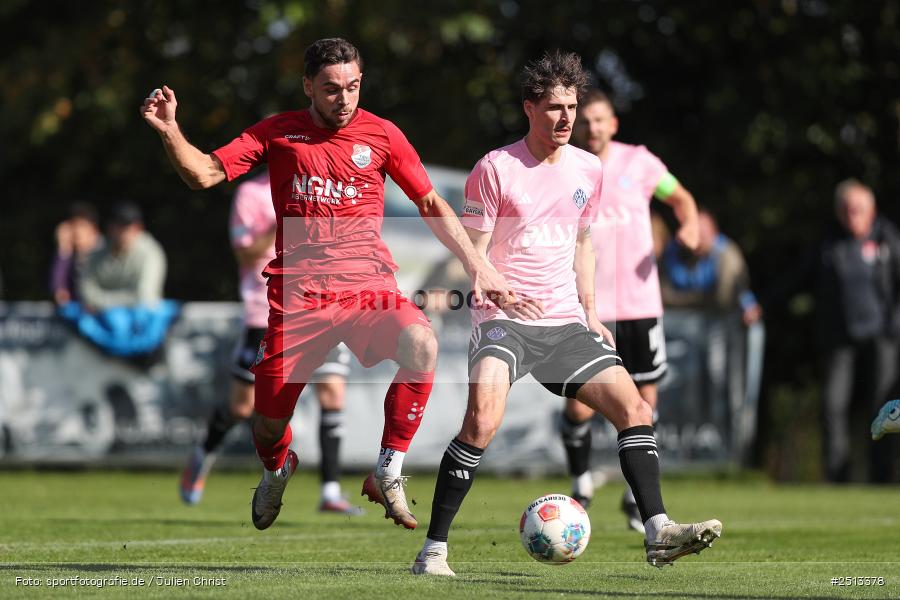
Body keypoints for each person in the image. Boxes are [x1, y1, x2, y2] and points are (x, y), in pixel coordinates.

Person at [141, 37, 515, 532]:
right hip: (299, 300)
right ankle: (277, 467)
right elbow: (204, 174)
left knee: (421, 343)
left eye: (353, 87)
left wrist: (476, 263)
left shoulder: (382, 134)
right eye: (332, 89)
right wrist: (170, 130)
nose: (345, 99)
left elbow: (429, 201)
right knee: (267, 424)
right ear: (308, 87)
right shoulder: (278, 132)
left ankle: (388, 469)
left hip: (368, 289)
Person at [411, 50, 721, 577]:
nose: (566, 118)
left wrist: (591, 312)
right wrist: (496, 288)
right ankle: (433, 551)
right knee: (481, 423)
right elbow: (472, 251)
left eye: (572, 107)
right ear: (529, 108)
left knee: (635, 409)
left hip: (564, 322)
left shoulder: (588, 168)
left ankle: (658, 531)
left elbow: (582, 243)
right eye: (555, 107)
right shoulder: (496, 168)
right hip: (504, 322)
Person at [180, 170, 361, 514]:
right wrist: (288, 221)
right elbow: (246, 254)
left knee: (332, 392)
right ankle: (204, 453)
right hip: (266, 311)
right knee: (242, 407)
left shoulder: (327, 188)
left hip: (321, 307)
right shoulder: (252, 193)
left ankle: (330, 492)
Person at [559, 90, 700, 533]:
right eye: (586, 121)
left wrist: (690, 227)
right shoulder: (564, 166)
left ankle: (636, 498)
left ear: (613, 124)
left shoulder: (640, 163)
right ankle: (581, 481)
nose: (592, 128)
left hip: (639, 305)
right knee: (580, 406)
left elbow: (681, 199)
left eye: (600, 119)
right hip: (587, 307)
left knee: (644, 403)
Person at [763, 179, 900, 482]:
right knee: (832, 405)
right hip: (840, 338)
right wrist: (764, 303)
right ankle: (837, 476)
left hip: (882, 337)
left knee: (885, 409)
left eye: (859, 209)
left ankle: (882, 477)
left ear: (872, 210)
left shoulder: (888, 239)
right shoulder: (828, 244)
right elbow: (797, 278)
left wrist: (895, 323)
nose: (853, 215)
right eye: (847, 210)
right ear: (840, 212)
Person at [659, 206, 762, 325]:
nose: (698, 239)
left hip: (718, 317)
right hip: (683, 315)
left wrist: (749, 307)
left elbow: (728, 296)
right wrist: (701, 298)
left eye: (703, 234)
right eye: (694, 233)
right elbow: (664, 295)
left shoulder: (726, 254)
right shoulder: (673, 251)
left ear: (714, 233)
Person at [78, 201, 166, 311]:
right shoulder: (98, 251)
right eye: (119, 225)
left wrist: (100, 303)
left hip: (142, 318)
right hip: (100, 315)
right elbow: (86, 291)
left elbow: (144, 296)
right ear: (110, 227)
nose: (122, 232)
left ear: (139, 228)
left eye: (127, 226)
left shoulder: (150, 253)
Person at [50, 202, 103, 305]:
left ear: (94, 229)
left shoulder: (105, 252)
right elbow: (59, 291)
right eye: (72, 227)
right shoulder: (71, 255)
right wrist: (63, 249)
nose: (76, 232)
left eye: (81, 226)